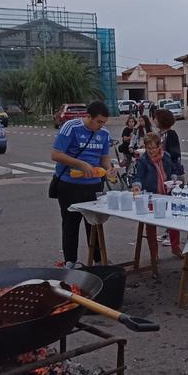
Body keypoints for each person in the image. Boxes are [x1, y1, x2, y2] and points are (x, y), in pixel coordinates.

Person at [51, 101, 114, 267]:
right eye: (99, 122)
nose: (101, 126)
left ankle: (99, 260)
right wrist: (81, 164)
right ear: (88, 117)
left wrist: (109, 169)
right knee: (71, 223)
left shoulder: (104, 133)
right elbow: (56, 154)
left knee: (94, 224)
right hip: (70, 184)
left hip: (94, 185)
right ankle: (70, 261)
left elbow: (104, 157)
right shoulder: (71, 127)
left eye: (104, 122)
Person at [135, 132, 178, 258]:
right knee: (151, 226)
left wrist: (174, 178)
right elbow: (139, 176)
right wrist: (137, 185)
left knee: (173, 221)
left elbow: (173, 170)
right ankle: (154, 254)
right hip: (151, 196)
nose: (151, 151)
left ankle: (175, 247)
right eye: (149, 148)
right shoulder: (143, 160)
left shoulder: (166, 156)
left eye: (154, 147)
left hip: (167, 193)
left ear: (159, 146)